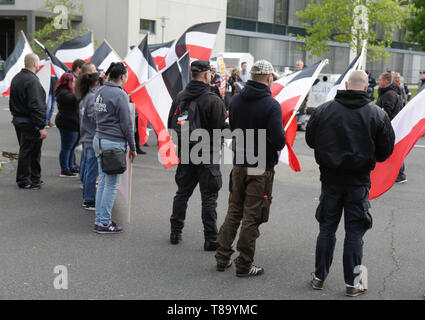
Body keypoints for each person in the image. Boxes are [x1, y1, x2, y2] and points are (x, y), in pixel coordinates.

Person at [306, 70, 395, 297]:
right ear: (366, 87)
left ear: (347, 84)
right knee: (355, 232)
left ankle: (319, 278)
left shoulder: (325, 109)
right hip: (358, 181)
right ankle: (353, 284)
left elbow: (310, 139)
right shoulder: (377, 114)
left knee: (327, 228)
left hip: (331, 179)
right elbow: (385, 151)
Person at [215, 60, 286, 277]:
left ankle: (222, 257)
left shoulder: (236, 100)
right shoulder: (271, 105)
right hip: (260, 166)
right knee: (252, 216)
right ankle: (244, 265)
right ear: (268, 78)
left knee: (234, 210)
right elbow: (279, 141)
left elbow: (234, 129)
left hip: (239, 162)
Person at [167, 60, 227, 251]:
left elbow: (171, 123)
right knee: (209, 197)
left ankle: (175, 232)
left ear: (192, 74)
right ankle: (210, 239)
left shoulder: (180, 96)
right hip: (207, 153)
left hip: (186, 150)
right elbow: (220, 130)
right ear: (207, 75)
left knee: (182, 193)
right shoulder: (213, 99)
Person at [93, 62, 137, 234]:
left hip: (99, 139)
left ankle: (100, 219)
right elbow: (127, 124)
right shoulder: (120, 94)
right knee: (110, 185)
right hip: (113, 143)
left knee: (103, 182)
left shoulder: (100, 90)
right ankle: (103, 222)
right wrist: (133, 146)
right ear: (122, 76)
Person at [9, 53, 47, 189]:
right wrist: (41, 125)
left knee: (28, 149)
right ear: (35, 64)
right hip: (29, 121)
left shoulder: (17, 78)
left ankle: (33, 178)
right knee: (30, 150)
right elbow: (36, 105)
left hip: (19, 119)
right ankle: (25, 179)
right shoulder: (32, 81)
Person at [377, 72, 406, 184]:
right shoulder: (387, 93)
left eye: (380, 79)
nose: (378, 81)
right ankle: (397, 173)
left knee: (393, 150)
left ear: (386, 81)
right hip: (390, 126)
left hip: (390, 126)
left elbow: (386, 112)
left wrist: (381, 125)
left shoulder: (389, 94)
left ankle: (400, 174)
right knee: (392, 150)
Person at [78, 70, 101, 211]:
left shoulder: (85, 96)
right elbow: (94, 117)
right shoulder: (92, 97)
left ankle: (87, 197)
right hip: (92, 137)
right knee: (92, 170)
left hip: (86, 136)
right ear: (97, 83)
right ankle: (89, 200)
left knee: (88, 169)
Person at [55, 73, 80, 178]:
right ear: (69, 82)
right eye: (73, 81)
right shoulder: (65, 94)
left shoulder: (62, 92)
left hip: (70, 123)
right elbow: (76, 99)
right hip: (68, 123)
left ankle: (70, 166)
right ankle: (65, 169)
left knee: (71, 147)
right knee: (67, 147)